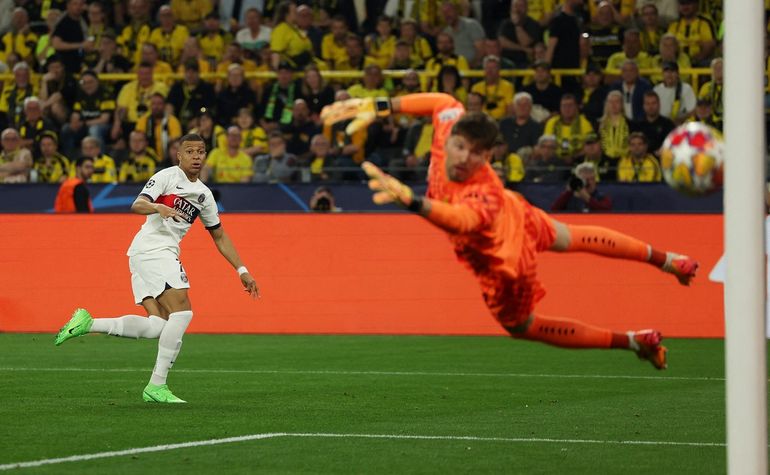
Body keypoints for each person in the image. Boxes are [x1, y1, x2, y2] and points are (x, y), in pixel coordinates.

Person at [321, 93, 700, 370]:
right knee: (571, 236)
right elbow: (442, 100)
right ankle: (671, 261)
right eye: (459, 147)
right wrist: (381, 105)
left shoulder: (480, 190)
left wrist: (413, 202)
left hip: (503, 254)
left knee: (520, 326)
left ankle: (634, 342)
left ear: (487, 157)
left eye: (475, 154)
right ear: (450, 140)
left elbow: (462, 222)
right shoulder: (446, 135)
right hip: (517, 209)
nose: (463, 157)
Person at [54, 133, 260, 403]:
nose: (196, 156)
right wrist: (157, 208)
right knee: (183, 312)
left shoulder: (204, 196)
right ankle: (157, 386)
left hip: (147, 253)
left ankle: (88, 323)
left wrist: (242, 270)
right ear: (179, 155)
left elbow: (219, 235)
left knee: (157, 326)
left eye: (201, 151)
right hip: (154, 249)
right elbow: (136, 204)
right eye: (190, 151)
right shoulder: (167, 177)